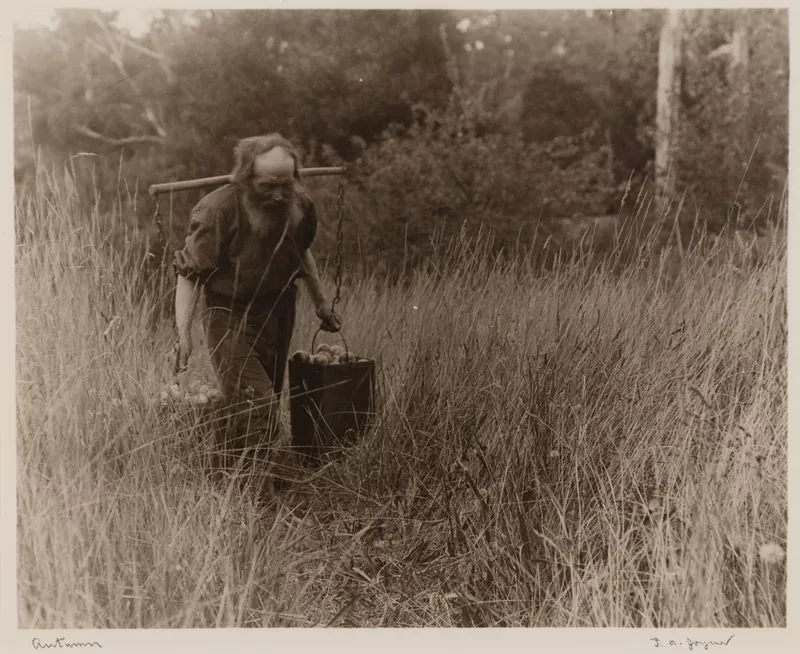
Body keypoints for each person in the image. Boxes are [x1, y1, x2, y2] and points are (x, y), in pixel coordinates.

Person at [172, 133, 340, 487]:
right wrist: (183, 337)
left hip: (279, 310)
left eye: (286, 183)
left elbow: (301, 253)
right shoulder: (217, 211)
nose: (278, 195)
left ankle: (229, 478)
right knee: (258, 403)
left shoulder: (300, 204)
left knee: (259, 402)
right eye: (267, 186)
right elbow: (188, 275)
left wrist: (321, 302)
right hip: (229, 315)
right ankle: (256, 495)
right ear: (245, 178)